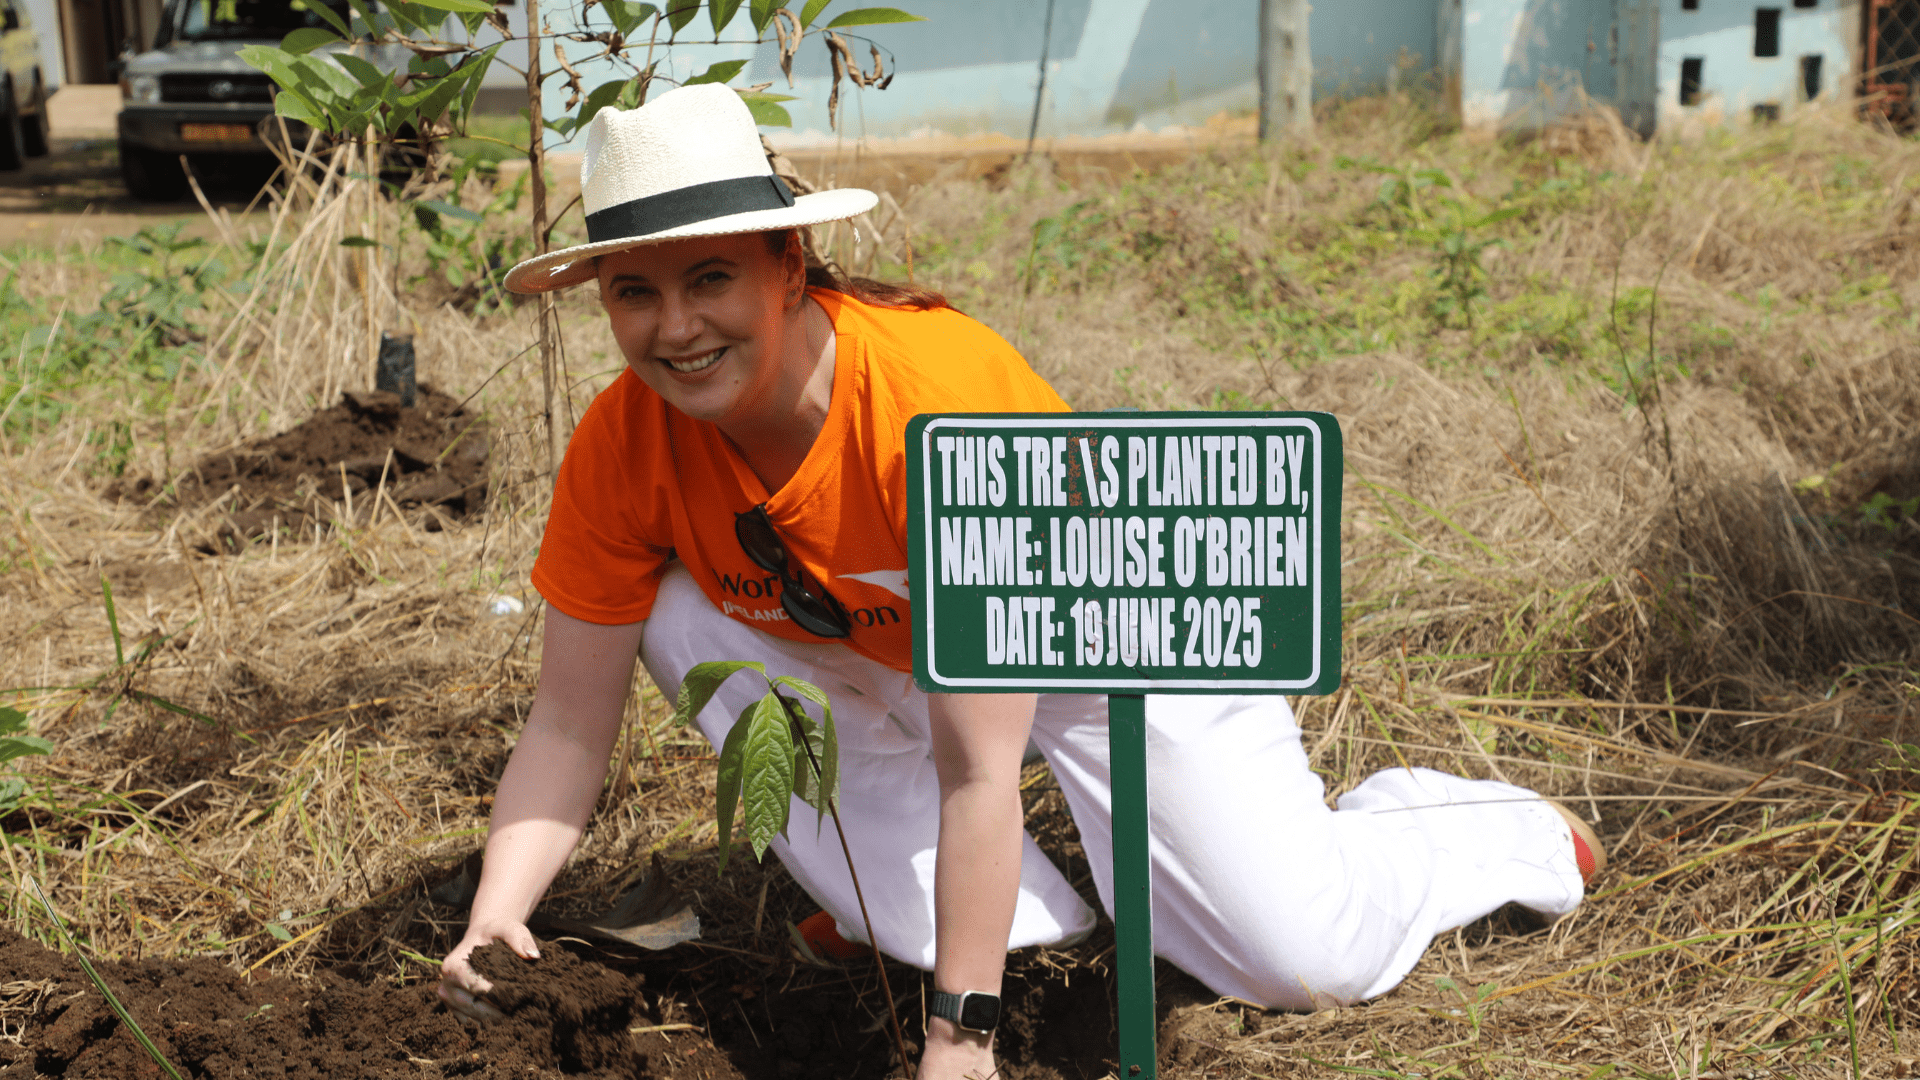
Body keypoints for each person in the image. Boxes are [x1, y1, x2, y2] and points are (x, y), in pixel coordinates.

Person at [436, 83, 1607, 1079]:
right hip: (886, 649)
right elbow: (567, 722)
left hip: (1094, 643)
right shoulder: (624, 441)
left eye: (709, 280)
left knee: (1299, 962)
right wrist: (499, 918)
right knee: (687, 618)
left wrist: (961, 1035)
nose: (675, 328)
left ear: (787, 264)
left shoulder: (933, 407)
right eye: (634, 292)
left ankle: (1471, 830)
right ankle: (933, 907)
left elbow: (980, 764)